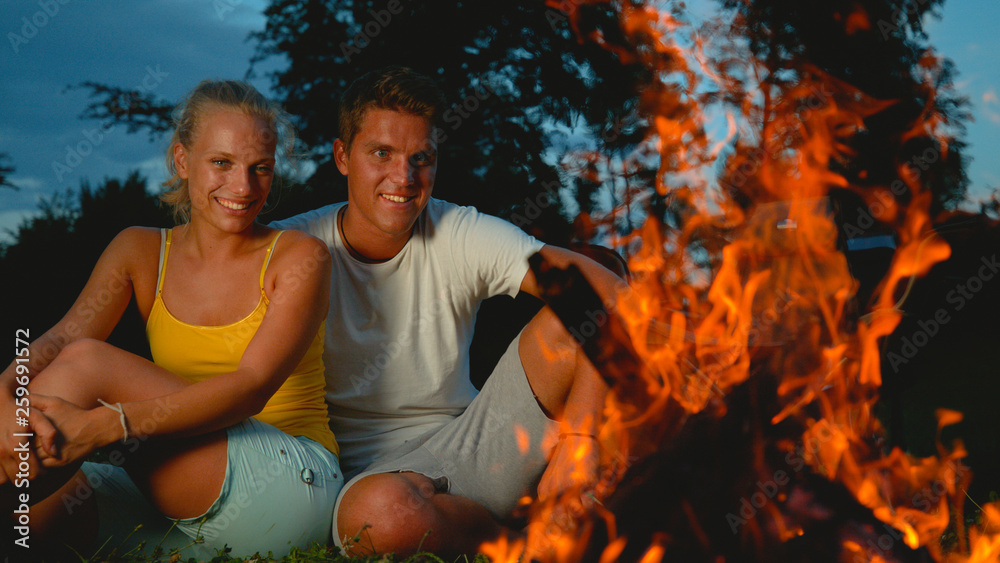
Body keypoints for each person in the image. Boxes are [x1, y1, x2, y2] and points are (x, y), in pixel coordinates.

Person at [271, 66, 627, 558]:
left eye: (421, 158)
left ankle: (566, 487)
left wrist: (581, 442)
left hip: (479, 442)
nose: (403, 177)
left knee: (576, 318)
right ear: (342, 157)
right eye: (382, 154)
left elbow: (606, 290)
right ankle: (520, 537)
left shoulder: (458, 230)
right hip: (365, 474)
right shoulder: (291, 246)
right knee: (378, 519)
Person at [0, 80, 342, 559]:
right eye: (221, 163)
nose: (243, 187)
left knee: (88, 363)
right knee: (40, 514)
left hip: (289, 482)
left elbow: (251, 387)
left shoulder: (301, 257)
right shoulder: (139, 250)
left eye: (260, 168)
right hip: (185, 490)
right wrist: (3, 393)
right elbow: (58, 339)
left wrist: (107, 425)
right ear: (182, 161)